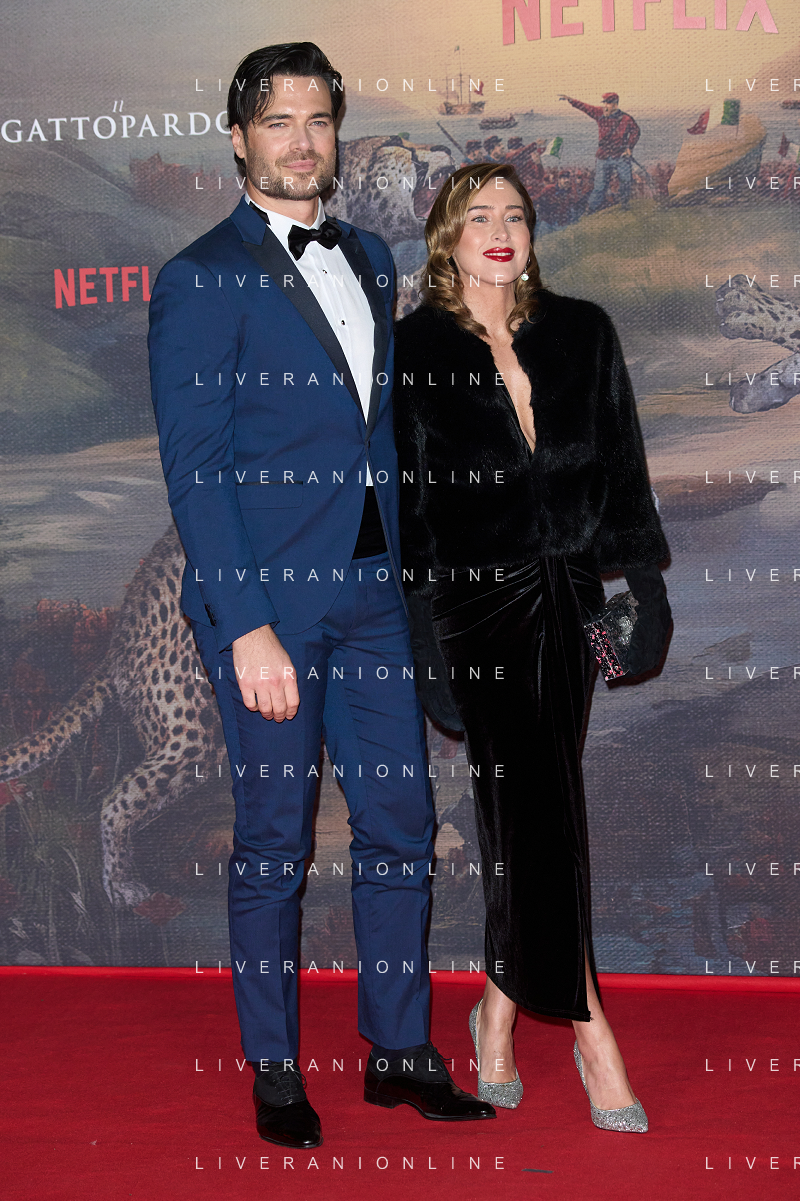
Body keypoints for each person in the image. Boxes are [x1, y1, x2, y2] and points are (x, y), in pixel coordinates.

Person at [148, 42, 494, 1151]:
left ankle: (398, 1049)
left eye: (318, 121)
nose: (302, 143)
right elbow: (197, 471)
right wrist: (246, 625)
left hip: (372, 596)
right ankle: (275, 1065)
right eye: (278, 122)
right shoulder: (199, 277)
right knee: (274, 843)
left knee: (401, 827)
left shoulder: (373, 257)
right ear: (238, 138)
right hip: (272, 611)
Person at [393, 162, 671, 1129]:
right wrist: (424, 641)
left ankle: (497, 1013)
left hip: (570, 599)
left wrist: (646, 587)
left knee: (534, 817)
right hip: (476, 611)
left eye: (514, 213)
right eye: (479, 216)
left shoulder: (583, 332)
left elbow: (623, 466)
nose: (501, 229)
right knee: (538, 814)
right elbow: (406, 510)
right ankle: (592, 1032)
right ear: (447, 236)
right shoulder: (414, 349)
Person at [559, 91, 640, 211]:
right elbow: (585, 107)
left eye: (608, 103)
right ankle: (591, 209)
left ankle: (624, 205)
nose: (605, 106)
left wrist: (629, 147)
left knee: (626, 181)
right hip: (603, 156)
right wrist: (570, 100)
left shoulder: (626, 119)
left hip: (620, 156)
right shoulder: (599, 113)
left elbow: (636, 131)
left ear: (615, 105)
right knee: (600, 186)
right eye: (605, 103)